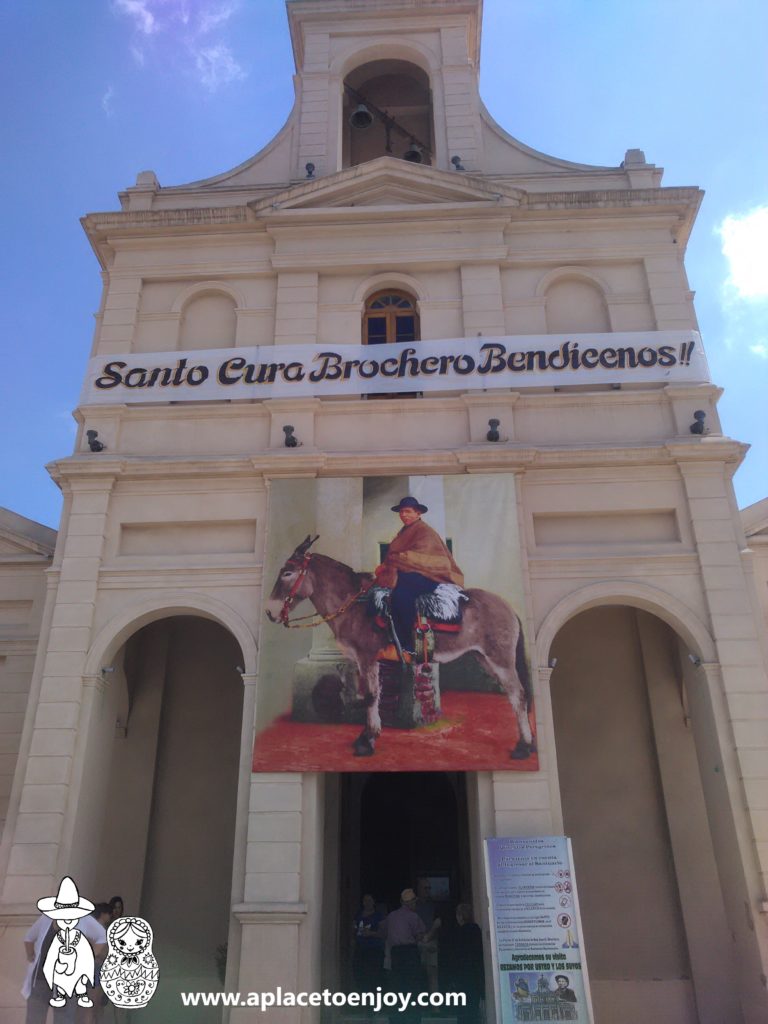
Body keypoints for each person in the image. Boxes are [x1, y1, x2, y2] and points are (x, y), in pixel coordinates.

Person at [374, 497, 464, 659]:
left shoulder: (424, 531)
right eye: (401, 512)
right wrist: (387, 566)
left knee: (401, 596)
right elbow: (396, 557)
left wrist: (398, 558)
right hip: (412, 573)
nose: (404, 515)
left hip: (430, 576)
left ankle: (407, 646)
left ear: (418, 513)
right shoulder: (405, 531)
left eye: (408, 512)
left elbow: (426, 559)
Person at [22, 878, 107, 1024]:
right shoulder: (47, 918)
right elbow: (29, 937)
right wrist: (31, 956)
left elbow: (102, 936)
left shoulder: (83, 919)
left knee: (64, 1019)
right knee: (34, 1019)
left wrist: (89, 956)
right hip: (41, 979)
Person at [382, 889, 425, 1022]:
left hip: (395, 955)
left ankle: (396, 1018)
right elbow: (420, 936)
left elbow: (384, 933)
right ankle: (413, 1018)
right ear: (411, 903)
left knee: (397, 988)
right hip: (409, 954)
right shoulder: (414, 917)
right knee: (412, 988)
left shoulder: (391, 916)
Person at [452, 904, 485, 1024]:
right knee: (472, 1009)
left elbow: (455, 956)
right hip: (474, 976)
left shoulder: (457, 933)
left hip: (461, 976)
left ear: (460, 916)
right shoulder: (475, 930)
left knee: (462, 1010)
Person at [352, 894, 385, 999]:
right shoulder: (358, 915)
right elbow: (353, 929)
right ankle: (363, 1002)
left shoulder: (379, 916)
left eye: (370, 900)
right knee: (360, 975)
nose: (367, 902)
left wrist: (370, 933)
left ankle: (374, 1004)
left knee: (374, 977)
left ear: (374, 902)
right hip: (360, 950)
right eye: (365, 900)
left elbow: (383, 933)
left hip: (375, 951)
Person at [413, 878, 440, 995]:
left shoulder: (434, 904)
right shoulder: (413, 905)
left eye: (429, 888)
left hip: (431, 941)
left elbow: (438, 923)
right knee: (415, 975)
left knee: (433, 974)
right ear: (418, 889)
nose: (427, 891)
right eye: (425, 888)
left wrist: (431, 937)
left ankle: (435, 1008)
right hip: (415, 942)